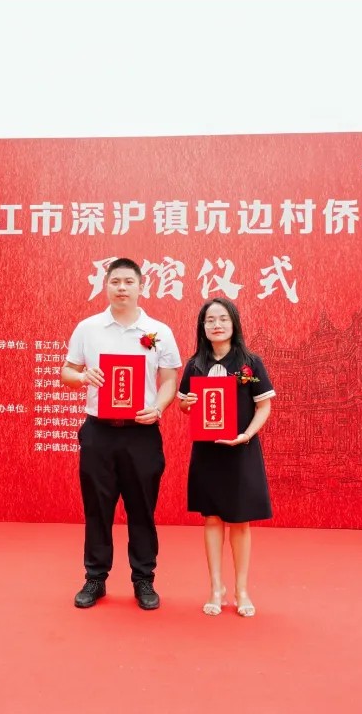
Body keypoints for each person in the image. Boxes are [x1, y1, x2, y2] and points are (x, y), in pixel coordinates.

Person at [61, 258, 181, 610]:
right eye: (115, 281)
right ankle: (95, 578)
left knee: (142, 508)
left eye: (129, 281)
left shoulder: (158, 331)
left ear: (142, 286)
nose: (122, 288)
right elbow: (68, 371)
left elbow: (169, 379)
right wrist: (82, 377)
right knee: (97, 508)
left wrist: (158, 408)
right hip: (99, 432)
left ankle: (144, 579)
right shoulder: (88, 328)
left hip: (141, 432)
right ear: (106, 286)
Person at [177, 298, 275, 617]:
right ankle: (215, 588)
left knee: (240, 520)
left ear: (234, 323)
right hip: (208, 452)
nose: (216, 325)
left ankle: (241, 590)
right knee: (211, 518)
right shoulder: (195, 364)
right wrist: (188, 403)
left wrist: (246, 435)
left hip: (240, 450)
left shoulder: (251, 362)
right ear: (202, 327)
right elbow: (183, 404)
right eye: (209, 320)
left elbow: (263, 406)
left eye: (222, 318)